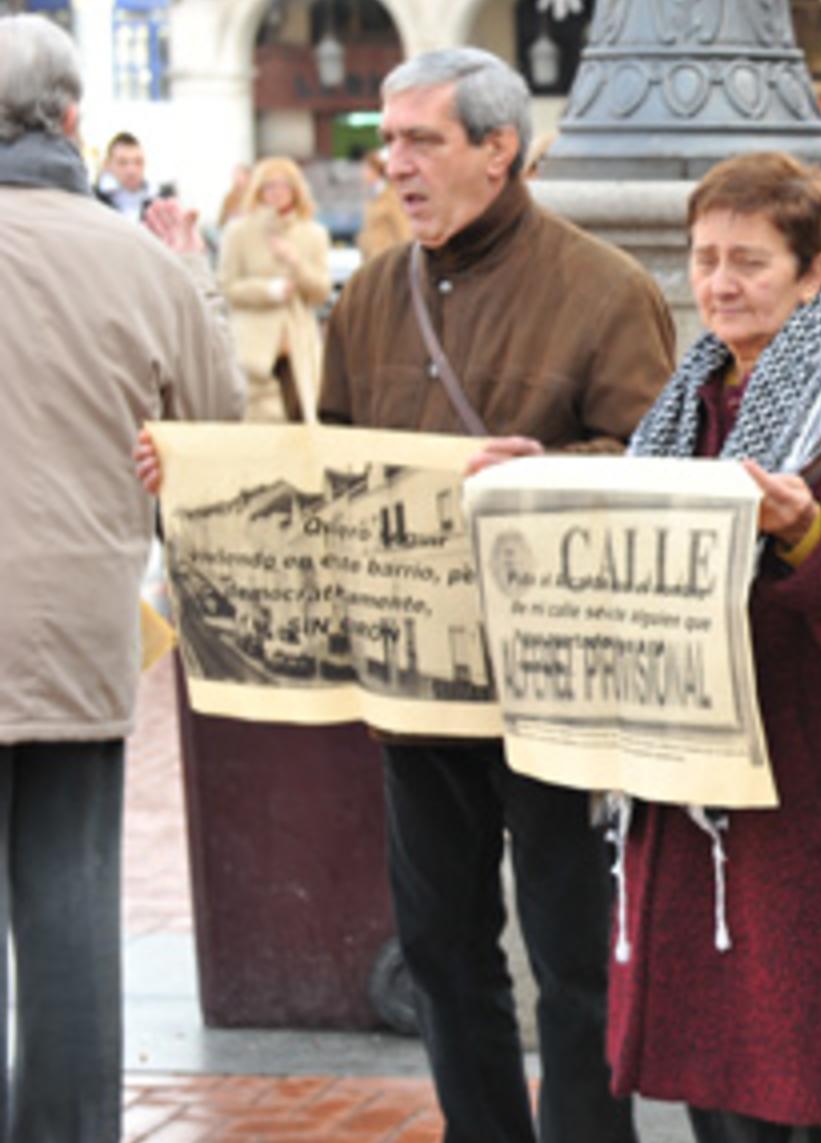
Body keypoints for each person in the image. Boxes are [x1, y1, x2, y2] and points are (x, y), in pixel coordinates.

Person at [139, 47, 677, 1143]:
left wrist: (550, 469)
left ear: (498, 149)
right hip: (417, 688)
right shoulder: (374, 294)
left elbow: (651, 470)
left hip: (553, 688)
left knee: (574, 956)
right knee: (439, 945)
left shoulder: (603, 288)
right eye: (389, 143)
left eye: (421, 140)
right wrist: (199, 483)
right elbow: (331, 466)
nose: (395, 165)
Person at [594, 151, 821, 1143]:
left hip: (817, 809)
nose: (719, 283)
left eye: (749, 260)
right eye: (706, 258)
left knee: (820, 1095)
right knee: (719, 1088)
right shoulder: (687, 402)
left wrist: (808, 535)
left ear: (813, 269)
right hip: (702, 798)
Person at [0, 14, 241, 1139]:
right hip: (75, 623)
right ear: (74, 121)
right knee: (68, 896)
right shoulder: (138, 260)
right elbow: (218, 433)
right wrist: (194, 276)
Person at [218, 157, 331, 423]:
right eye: (269, 186)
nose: (276, 193)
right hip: (253, 348)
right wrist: (268, 291)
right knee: (255, 428)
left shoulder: (313, 233)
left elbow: (321, 292)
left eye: (283, 186)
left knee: (304, 420)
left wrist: (296, 263)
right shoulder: (239, 232)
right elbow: (226, 286)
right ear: (258, 191)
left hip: (299, 345)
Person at [355, 148, 410, 261]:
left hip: (387, 261)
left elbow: (402, 229)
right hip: (372, 261)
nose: (363, 172)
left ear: (376, 170)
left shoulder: (391, 197)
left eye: (366, 168)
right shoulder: (373, 196)